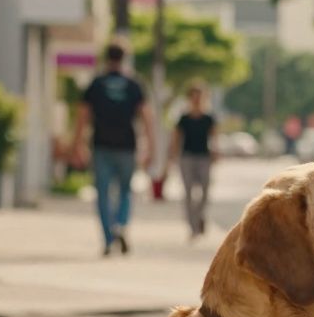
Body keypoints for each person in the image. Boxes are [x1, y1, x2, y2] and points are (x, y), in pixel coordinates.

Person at [71, 43, 155, 256]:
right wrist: (150, 146)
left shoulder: (96, 84)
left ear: (106, 58)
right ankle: (121, 224)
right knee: (125, 191)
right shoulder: (134, 84)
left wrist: (77, 144)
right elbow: (146, 117)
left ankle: (108, 238)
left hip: (101, 146)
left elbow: (82, 116)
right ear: (124, 58)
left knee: (102, 193)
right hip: (127, 146)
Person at [167, 83, 219, 240]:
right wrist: (172, 156)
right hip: (187, 157)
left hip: (204, 157)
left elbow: (214, 137)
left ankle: (200, 216)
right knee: (188, 192)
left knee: (205, 191)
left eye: (200, 96)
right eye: (194, 96)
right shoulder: (183, 119)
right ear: (189, 98)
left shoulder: (209, 118)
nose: (197, 99)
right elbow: (176, 138)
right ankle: (193, 226)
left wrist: (216, 152)